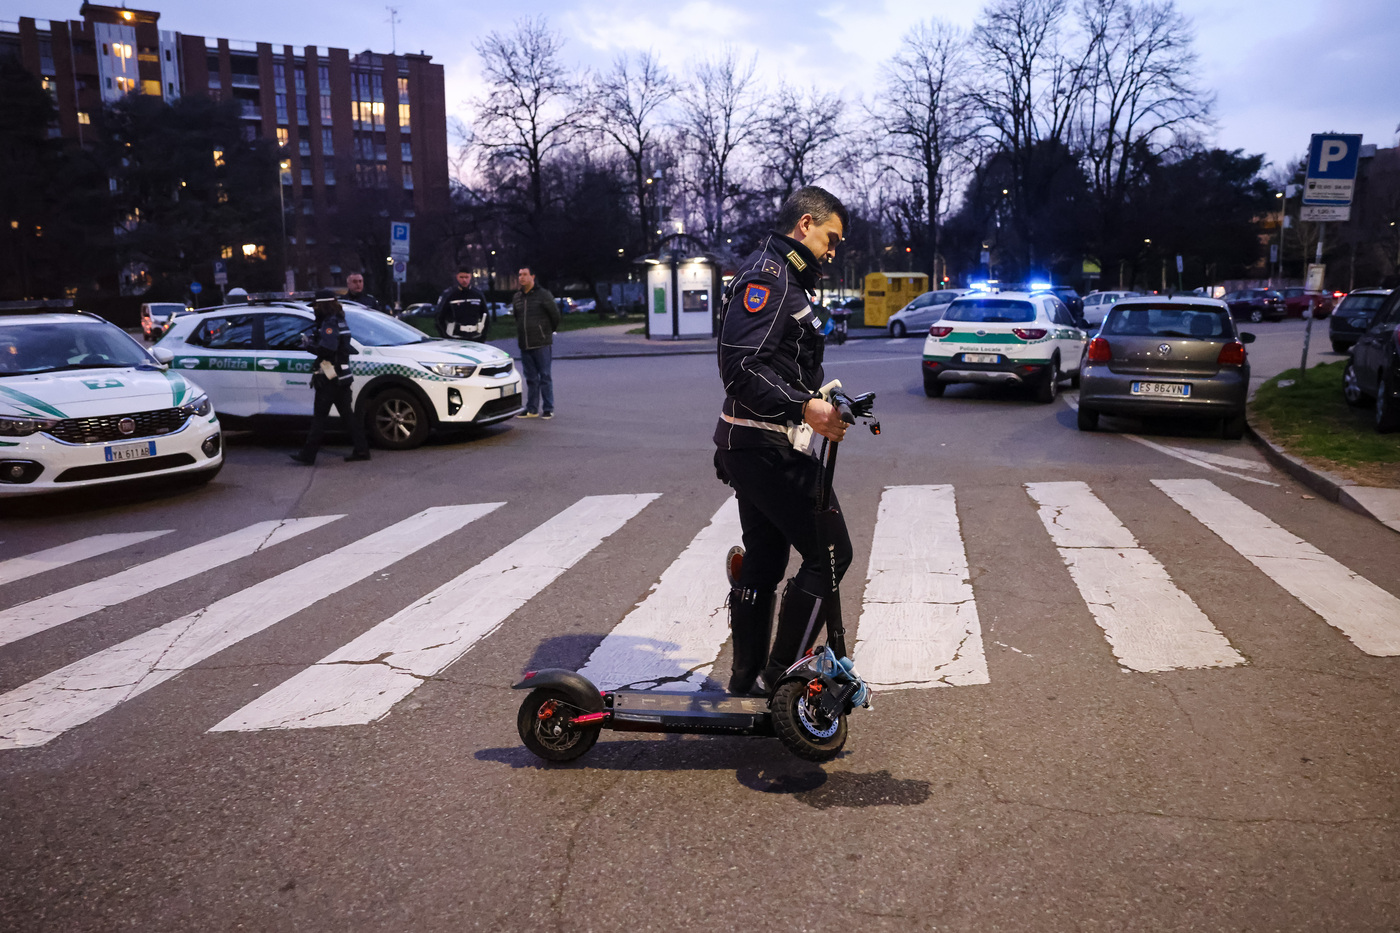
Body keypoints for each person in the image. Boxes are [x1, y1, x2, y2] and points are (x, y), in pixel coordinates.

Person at [713, 186, 851, 696]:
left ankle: (745, 678)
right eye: (830, 238)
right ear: (805, 225)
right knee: (830, 552)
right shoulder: (770, 277)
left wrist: (818, 398)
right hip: (764, 444)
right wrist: (804, 407)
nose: (833, 250)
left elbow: (778, 363)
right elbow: (740, 367)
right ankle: (781, 681)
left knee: (766, 561)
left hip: (757, 442)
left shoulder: (786, 277)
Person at [290, 290, 371, 465]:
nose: (315, 310)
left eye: (317, 306)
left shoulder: (330, 323)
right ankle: (362, 449)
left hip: (330, 377)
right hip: (342, 376)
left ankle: (308, 455)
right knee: (348, 416)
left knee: (319, 417)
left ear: (324, 305)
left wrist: (309, 345)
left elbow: (328, 350)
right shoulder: (340, 320)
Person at [512, 266, 560, 419]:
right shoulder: (517, 297)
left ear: (532, 276)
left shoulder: (543, 295)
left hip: (541, 342)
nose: (522, 278)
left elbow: (555, 316)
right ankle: (532, 408)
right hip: (525, 343)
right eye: (520, 275)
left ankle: (548, 408)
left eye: (525, 274)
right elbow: (517, 317)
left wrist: (545, 331)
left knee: (544, 376)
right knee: (531, 378)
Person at [435, 268, 490, 341]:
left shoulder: (478, 294)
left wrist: (483, 337)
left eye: (466, 277)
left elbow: (486, 316)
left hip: (475, 337)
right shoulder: (449, 295)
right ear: (457, 277)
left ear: (470, 277)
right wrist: (445, 336)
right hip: (455, 337)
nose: (464, 280)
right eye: (461, 277)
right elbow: (439, 317)